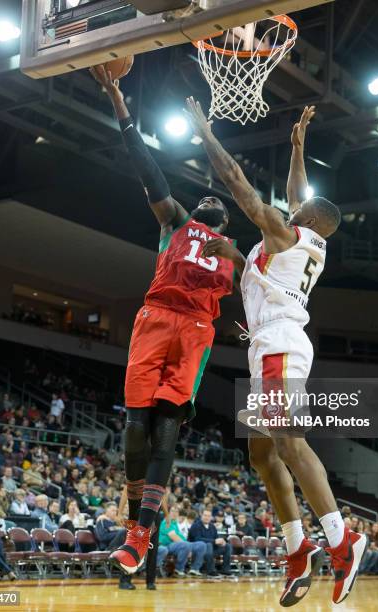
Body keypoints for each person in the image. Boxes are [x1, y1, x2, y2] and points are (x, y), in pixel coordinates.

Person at [185, 99, 366, 606]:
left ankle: (342, 540)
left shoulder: (286, 234)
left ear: (307, 218)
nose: (292, 203)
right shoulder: (297, 244)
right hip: (269, 343)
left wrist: (206, 136)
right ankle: (297, 547)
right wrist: (297, 144)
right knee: (262, 453)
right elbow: (296, 193)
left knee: (288, 445)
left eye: (299, 205)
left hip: (280, 345)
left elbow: (239, 182)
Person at [89, 61, 237, 576]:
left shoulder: (231, 251)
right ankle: (136, 524)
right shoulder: (177, 220)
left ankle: (142, 533)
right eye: (207, 196)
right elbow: (146, 167)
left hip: (196, 332)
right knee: (135, 427)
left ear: (226, 219)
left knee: (166, 431)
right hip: (156, 318)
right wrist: (121, 106)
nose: (211, 197)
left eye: (219, 200)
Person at [157, 506, 206, 577]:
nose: (174, 513)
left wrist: (188, 544)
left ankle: (194, 569)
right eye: (172, 511)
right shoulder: (166, 522)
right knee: (186, 545)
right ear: (168, 512)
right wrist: (188, 547)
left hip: (179, 544)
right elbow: (174, 537)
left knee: (201, 545)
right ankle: (178, 569)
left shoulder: (175, 523)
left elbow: (180, 537)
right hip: (167, 546)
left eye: (176, 512)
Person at [189, 509, 231, 577]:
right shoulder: (196, 525)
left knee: (227, 546)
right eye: (205, 515)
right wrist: (214, 541)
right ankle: (211, 570)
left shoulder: (212, 526)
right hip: (198, 550)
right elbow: (197, 539)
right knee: (208, 545)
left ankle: (225, 570)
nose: (207, 517)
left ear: (211, 517)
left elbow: (216, 538)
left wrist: (222, 541)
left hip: (211, 551)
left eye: (209, 516)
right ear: (201, 515)